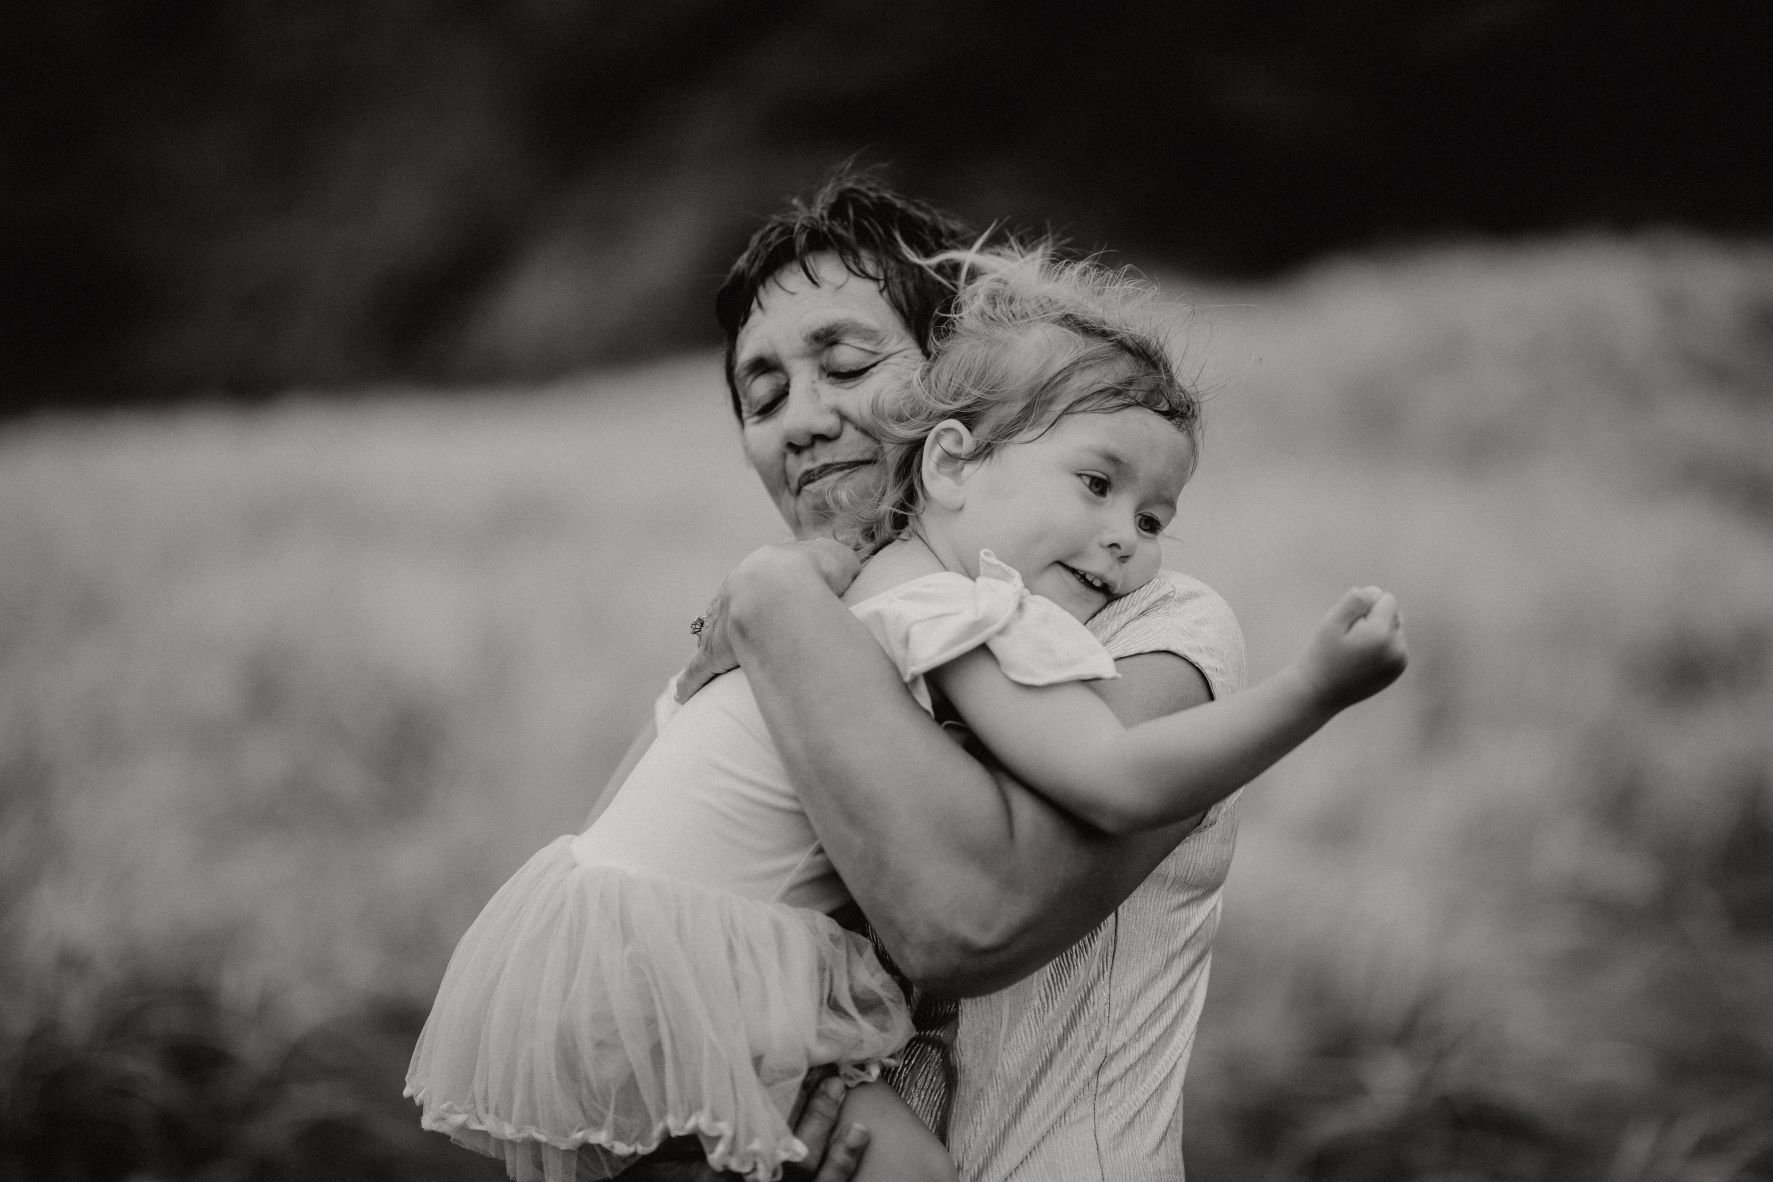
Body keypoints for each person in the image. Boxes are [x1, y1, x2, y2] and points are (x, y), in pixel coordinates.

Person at [404, 236, 1406, 1182]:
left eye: (846, 366)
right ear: (954, 462)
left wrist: (775, 594)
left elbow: (965, 923)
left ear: (944, 394)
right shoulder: (803, 628)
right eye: (764, 395)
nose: (803, 418)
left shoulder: (1146, 623)